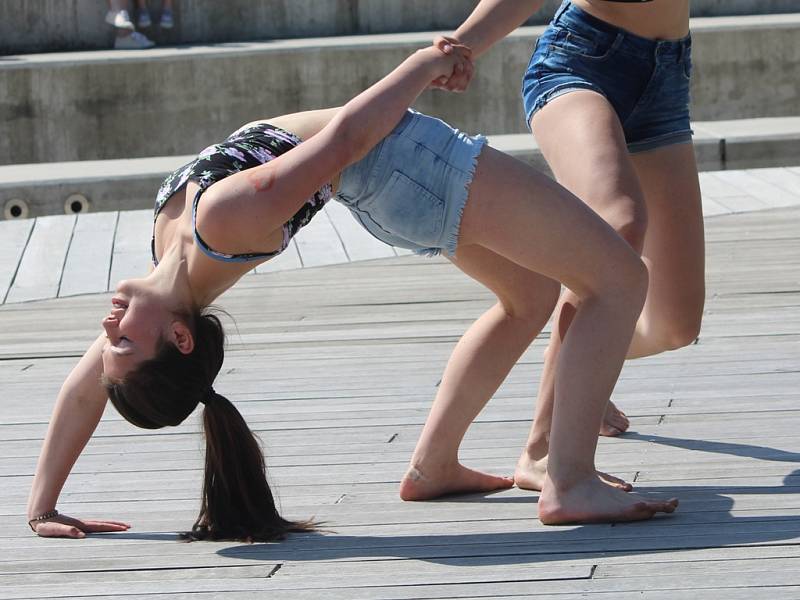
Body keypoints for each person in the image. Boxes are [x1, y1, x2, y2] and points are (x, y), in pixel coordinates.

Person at [26, 42, 677, 543]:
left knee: (529, 296)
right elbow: (344, 140)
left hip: (392, 186)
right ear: (178, 335)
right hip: (408, 163)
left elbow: (85, 389)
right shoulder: (222, 222)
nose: (106, 325)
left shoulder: (173, 260)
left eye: (106, 340)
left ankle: (433, 465)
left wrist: (41, 509)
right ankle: (568, 479)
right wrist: (423, 65)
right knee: (620, 277)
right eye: (120, 340)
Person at [405, 0, 704, 497]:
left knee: (675, 325)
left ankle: (587, 365)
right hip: (583, 62)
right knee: (618, 225)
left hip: (666, 77)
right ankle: (542, 452)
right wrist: (461, 47)